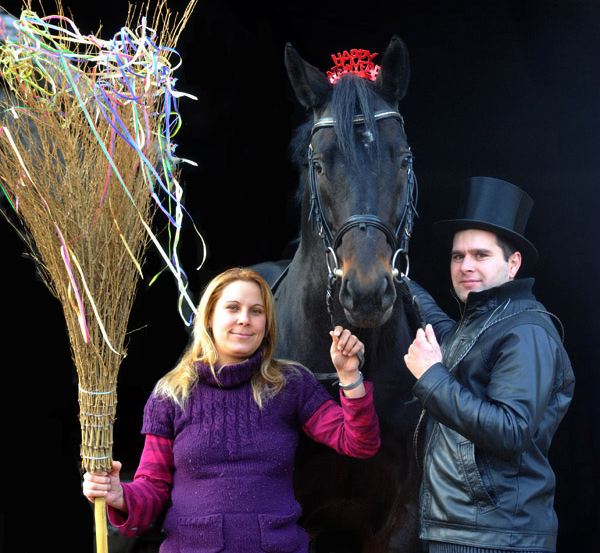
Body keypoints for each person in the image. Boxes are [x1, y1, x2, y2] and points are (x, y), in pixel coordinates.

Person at [83, 267, 380, 552]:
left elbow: (359, 442)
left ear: (267, 324)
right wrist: (119, 495)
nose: (244, 319)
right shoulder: (171, 393)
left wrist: (350, 376)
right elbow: (154, 489)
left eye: (256, 311)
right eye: (232, 308)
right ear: (209, 317)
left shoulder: (290, 384)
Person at [403, 177, 575, 553]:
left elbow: (510, 431)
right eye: (457, 256)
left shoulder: (527, 331)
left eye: (481, 255)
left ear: (512, 264)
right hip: (463, 531)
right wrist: (400, 282)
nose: (466, 265)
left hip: (495, 539)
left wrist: (430, 376)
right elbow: (445, 330)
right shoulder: (484, 323)